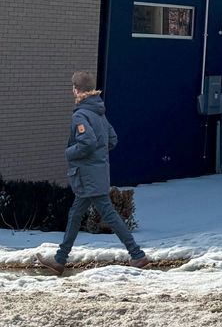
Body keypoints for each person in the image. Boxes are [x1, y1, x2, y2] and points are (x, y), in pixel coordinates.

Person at [42, 71, 149, 275]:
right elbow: (112, 140)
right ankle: (59, 260)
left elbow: (87, 142)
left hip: (87, 175)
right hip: (97, 173)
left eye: (73, 87)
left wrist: (69, 153)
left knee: (103, 214)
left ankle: (137, 254)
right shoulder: (99, 113)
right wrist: (97, 158)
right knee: (77, 214)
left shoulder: (80, 115)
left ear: (77, 89)